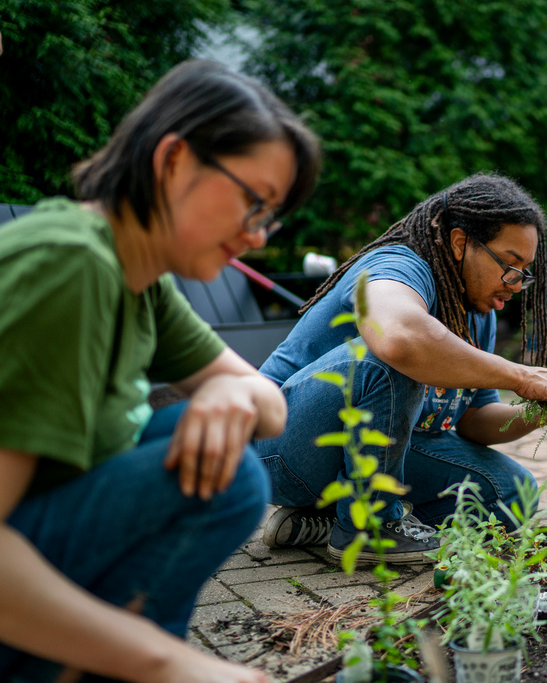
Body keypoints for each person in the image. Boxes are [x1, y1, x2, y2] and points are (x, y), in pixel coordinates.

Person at [0, 59, 321, 682]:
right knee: (223, 476)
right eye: (254, 203)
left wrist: (231, 390)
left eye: (269, 217)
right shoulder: (70, 266)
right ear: (173, 160)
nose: (257, 238)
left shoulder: (138, 275)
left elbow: (271, 404)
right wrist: (171, 666)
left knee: (211, 444)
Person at [258, 173, 547, 565]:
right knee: (388, 357)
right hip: (280, 449)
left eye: (524, 272)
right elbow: (396, 337)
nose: (515, 285)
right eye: (508, 265)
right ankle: (370, 526)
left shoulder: (479, 310)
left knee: (512, 493)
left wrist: (545, 411)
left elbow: (476, 420)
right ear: (461, 242)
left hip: (365, 454)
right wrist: (523, 375)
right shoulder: (397, 265)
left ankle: (328, 522)